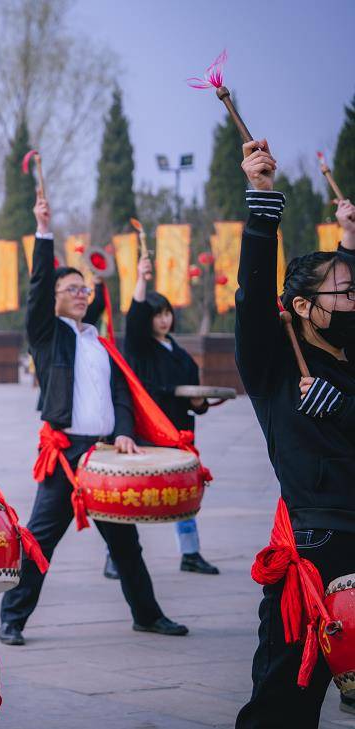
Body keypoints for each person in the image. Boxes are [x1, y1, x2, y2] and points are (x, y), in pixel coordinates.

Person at [0, 192, 188, 647]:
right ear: (55, 300)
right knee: (40, 539)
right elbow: (39, 287)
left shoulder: (100, 342)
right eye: (72, 290)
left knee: (125, 544)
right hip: (66, 453)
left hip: (104, 453)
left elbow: (120, 392)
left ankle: (147, 614)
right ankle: (12, 620)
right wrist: (44, 232)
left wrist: (123, 432)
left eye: (85, 290)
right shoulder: (48, 336)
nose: (82, 296)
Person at [234, 139, 355, 728]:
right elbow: (253, 293)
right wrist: (260, 198)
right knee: (286, 697)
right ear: (304, 306)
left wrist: (350, 237)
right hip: (316, 545)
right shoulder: (275, 365)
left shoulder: (348, 359)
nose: (354, 302)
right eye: (345, 293)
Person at [118, 253, 218, 577]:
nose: (163, 321)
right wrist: (141, 278)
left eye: (167, 314)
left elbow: (194, 398)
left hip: (177, 435)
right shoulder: (139, 348)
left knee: (183, 496)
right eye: (157, 315)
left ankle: (190, 553)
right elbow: (133, 320)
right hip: (146, 433)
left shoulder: (182, 355)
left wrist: (202, 404)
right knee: (133, 498)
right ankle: (115, 555)